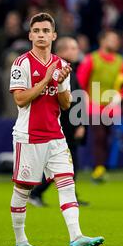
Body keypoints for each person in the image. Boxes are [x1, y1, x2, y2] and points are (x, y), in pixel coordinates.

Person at [9, 12, 104, 246]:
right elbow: (20, 100)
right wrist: (46, 80)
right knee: (23, 189)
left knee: (66, 182)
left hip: (56, 135)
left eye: (45, 31)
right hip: (28, 136)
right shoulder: (21, 63)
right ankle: (21, 241)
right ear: (30, 35)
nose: (41, 35)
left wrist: (60, 82)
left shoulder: (61, 65)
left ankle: (76, 237)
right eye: (36, 31)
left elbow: (64, 103)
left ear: (54, 35)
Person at [29, 37, 89, 207]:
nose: (75, 51)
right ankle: (36, 193)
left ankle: (70, 197)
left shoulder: (69, 70)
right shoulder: (58, 71)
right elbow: (69, 102)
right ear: (61, 51)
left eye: (76, 47)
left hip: (66, 125)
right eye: (71, 48)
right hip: (63, 126)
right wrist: (79, 124)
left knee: (68, 164)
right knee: (64, 164)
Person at [76, 30, 123, 183]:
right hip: (92, 106)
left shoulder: (120, 61)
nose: (115, 42)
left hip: (111, 108)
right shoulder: (91, 59)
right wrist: (86, 101)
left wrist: (118, 98)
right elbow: (80, 83)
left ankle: (100, 167)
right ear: (102, 40)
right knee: (99, 137)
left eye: (116, 39)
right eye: (111, 39)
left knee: (106, 137)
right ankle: (98, 169)